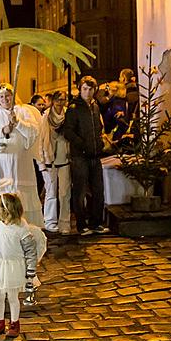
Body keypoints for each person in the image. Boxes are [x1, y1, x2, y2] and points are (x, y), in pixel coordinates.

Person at [0, 193, 46, 339]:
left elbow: (30, 251)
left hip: (13, 267)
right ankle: (0, 321)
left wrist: (31, 269)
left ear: (7, 210)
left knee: (12, 297)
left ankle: (14, 323)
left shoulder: (21, 228)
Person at [0, 83, 44, 227]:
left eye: (7, 96)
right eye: (1, 96)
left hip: (20, 164)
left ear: (13, 96)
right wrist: (2, 130)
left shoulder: (23, 111)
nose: (5, 99)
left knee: (19, 193)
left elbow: (34, 132)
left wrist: (18, 123)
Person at [64, 76, 108, 236]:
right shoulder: (74, 107)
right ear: (80, 89)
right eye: (85, 89)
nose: (87, 92)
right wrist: (81, 144)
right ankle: (82, 225)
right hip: (80, 156)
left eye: (90, 89)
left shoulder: (95, 106)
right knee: (80, 191)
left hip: (95, 155)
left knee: (98, 190)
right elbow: (67, 130)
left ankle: (96, 222)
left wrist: (100, 142)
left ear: (94, 90)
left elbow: (98, 126)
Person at [39, 91, 72, 234]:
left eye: (62, 100)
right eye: (58, 100)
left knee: (65, 192)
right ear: (53, 101)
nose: (60, 103)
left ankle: (64, 222)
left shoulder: (68, 115)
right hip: (49, 158)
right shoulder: (46, 116)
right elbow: (40, 139)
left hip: (65, 157)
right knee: (51, 191)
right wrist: (41, 160)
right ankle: (50, 221)